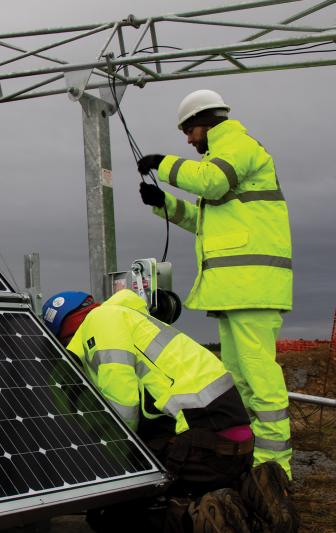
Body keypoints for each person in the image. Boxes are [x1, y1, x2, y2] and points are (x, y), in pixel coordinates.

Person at [42, 289, 299, 533]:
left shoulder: (99, 323)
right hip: (235, 444)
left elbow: (122, 405)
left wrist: (110, 465)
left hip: (204, 445)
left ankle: (197, 517)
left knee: (112, 515)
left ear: (64, 334)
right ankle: (252, 491)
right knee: (156, 453)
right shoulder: (131, 317)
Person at [135, 89, 294, 481]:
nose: (188, 140)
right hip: (235, 289)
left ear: (205, 121)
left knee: (260, 378)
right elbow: (204, 221)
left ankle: (275, 471)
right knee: (237, 379)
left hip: (251, 286)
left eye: (189, 131)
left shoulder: (237, 145)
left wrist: (163, 164)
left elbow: (211, 183)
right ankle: (246, 459)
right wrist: (164, 204)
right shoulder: (222, 161)